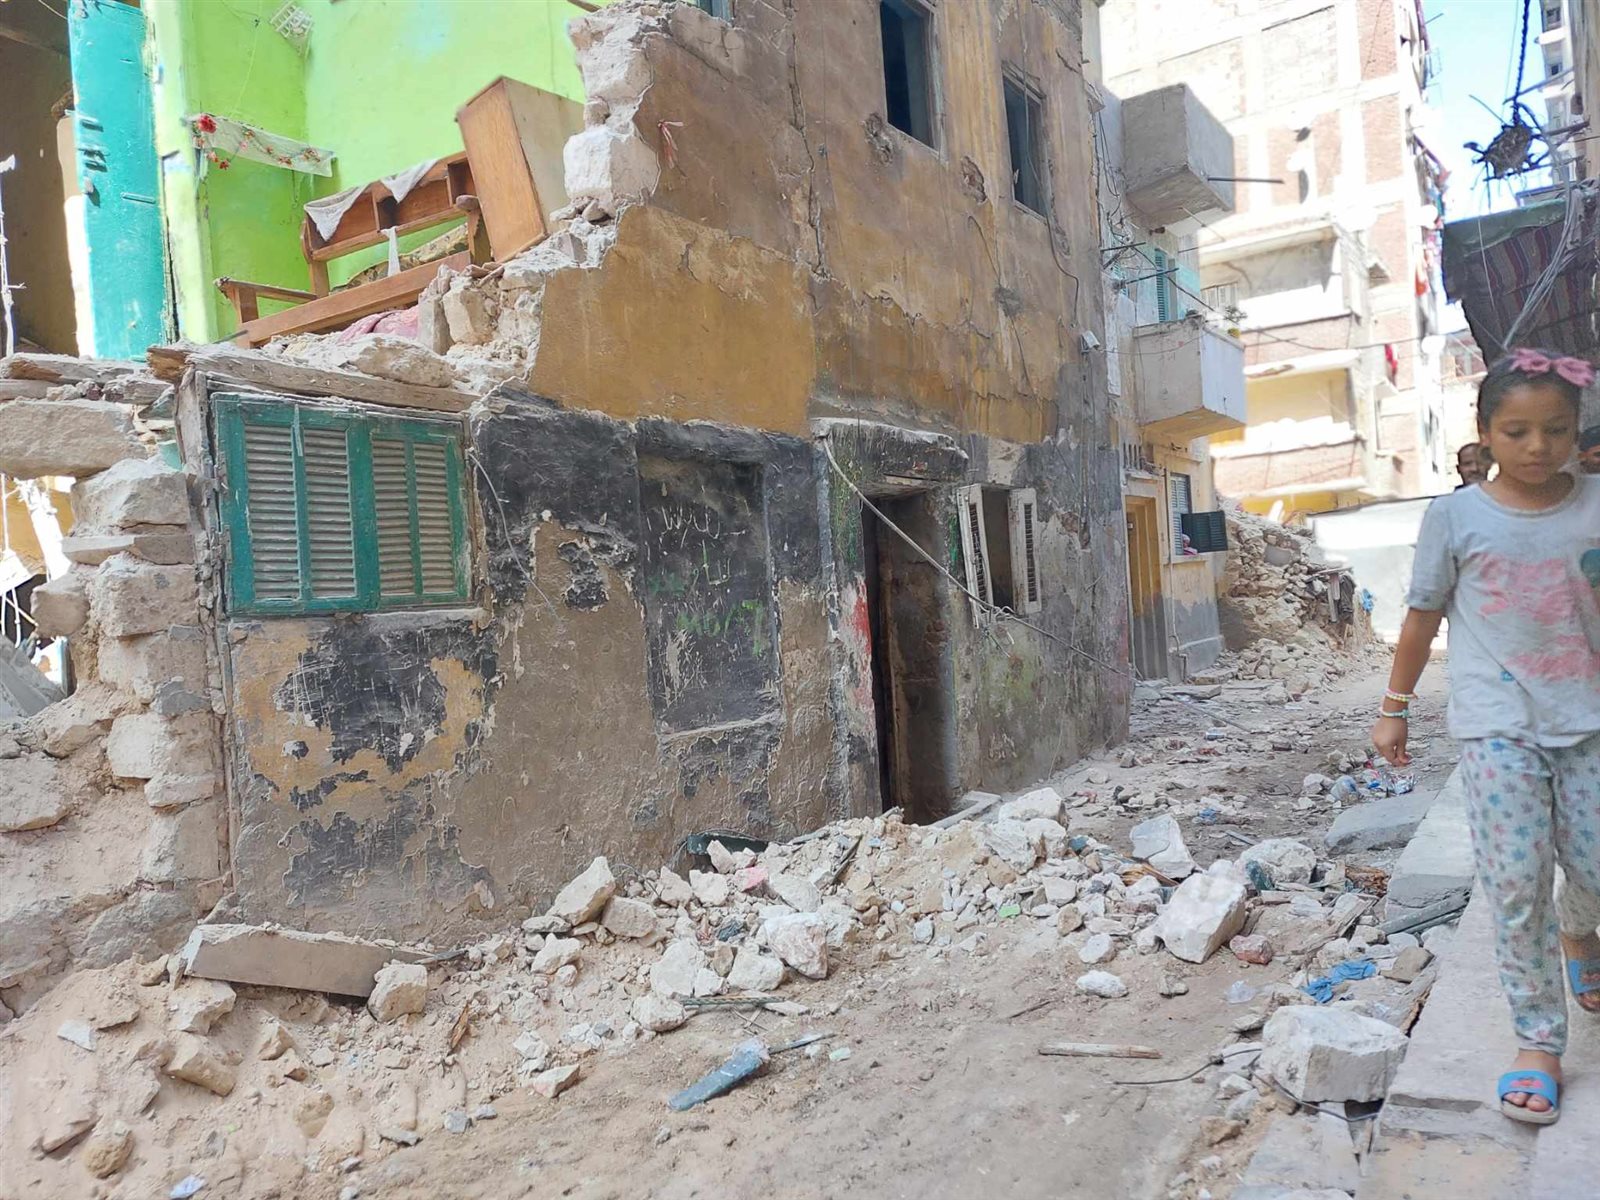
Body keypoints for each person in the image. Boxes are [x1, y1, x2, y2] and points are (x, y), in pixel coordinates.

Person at [1373, 346, 1600, 1126]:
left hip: (1590, 719)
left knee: (1595, 865)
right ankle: (1538, 1042)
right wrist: (1395, 706)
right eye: (1517, 431)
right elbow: (1421, 618)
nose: (1538, 446)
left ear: (1577, 430)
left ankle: (1581, 933)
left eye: (1556, 429)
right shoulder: (1456, 517)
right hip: (1497, 727)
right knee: (1515, 882)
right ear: (1485, 435)